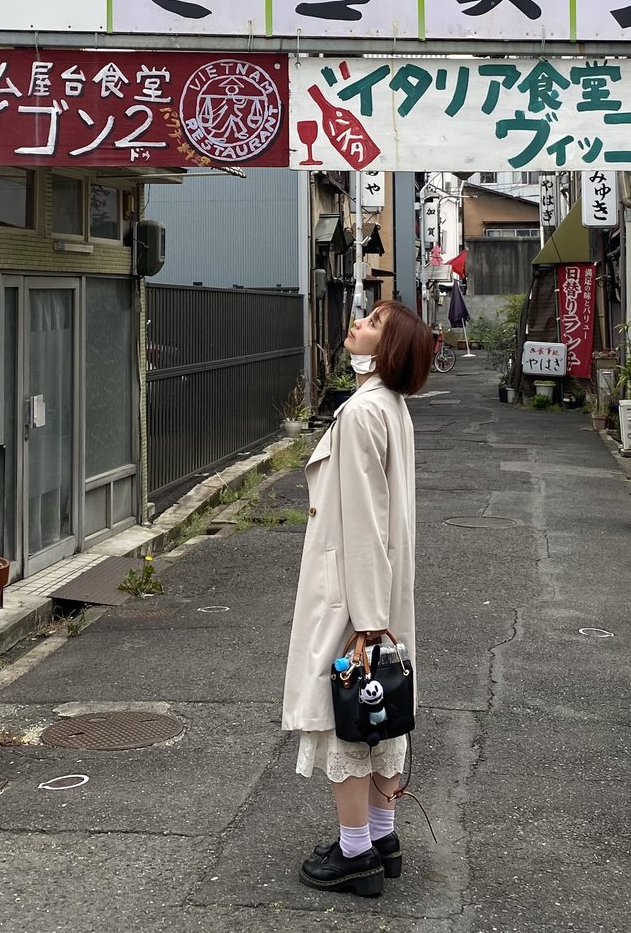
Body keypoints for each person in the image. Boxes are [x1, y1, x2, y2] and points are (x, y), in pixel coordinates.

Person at [282, 299, 438, 897]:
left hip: (354, 593)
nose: (357, 324)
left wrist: (367, 622)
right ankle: (382, 835)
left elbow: (362, 523)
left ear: (387, 349)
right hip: (381, 588)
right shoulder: (390, 408)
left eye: (373, 323)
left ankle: (356, 855)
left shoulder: (361, 413)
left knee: (345, 719)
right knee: (383, 714)